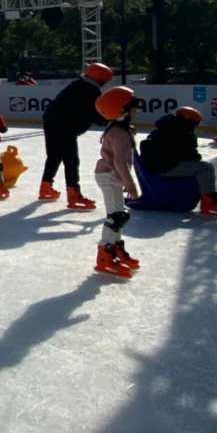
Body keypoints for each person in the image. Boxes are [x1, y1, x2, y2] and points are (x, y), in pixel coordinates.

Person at [37, 62, 113, 207]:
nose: (104, 84)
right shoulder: (91, 92)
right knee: (71, 160)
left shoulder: (78, 84)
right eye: (104, 81)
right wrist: (112, 119)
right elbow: (97, 116)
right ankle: (74, 195)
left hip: (51, 121)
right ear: (99, 79)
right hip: (65, 126)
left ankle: (45, 188)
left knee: (54, 156)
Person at [138, 107, 217, 218]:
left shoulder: (164, 128)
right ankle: (208, 203)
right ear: (189, 122)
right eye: (195, 124)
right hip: (164, 168)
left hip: (153, 166)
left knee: (198, 166)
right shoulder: (183, 134)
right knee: (205, 168)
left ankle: (206, 200)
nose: (195, 127)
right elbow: (194, 157)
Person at [93, 86, 141, 277]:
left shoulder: (119, 130)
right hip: (109, 176)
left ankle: (117, 250)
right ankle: (104, 256)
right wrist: (129, 183)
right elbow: (119, 162)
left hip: (112, 175)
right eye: (133, 109)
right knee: (115, 217)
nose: (136, 112)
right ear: (122, 111)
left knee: (119, 215)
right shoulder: (119, 134)